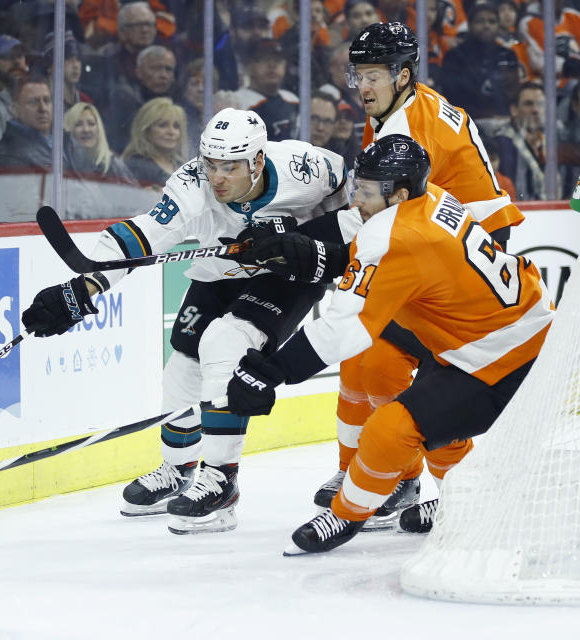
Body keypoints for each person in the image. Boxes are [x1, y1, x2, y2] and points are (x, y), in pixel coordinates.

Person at [22, 108, 351, 535]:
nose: (217, 177)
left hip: (285, 275)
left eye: (229, 167)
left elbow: (352, 195)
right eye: (211, 164)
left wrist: (327, 248)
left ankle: (222, 482)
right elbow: (148, 232)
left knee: (224, 344)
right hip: (221, 272)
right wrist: (86, 287)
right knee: (181, 370)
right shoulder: (193, 183)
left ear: (256, 160)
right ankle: (179, 471)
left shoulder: (304, 166)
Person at [226, 135, 554, 553]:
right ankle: (467, 499)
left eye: (365, 191)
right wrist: (314, 255)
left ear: (398, 193)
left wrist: (268, 371)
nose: (356, 199)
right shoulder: (430, 198)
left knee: (393, 428)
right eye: (356, 186)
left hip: (505, 358)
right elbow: (390, 264)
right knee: (389, 375)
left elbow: (346, 327)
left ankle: (346, 515)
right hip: (499, 330)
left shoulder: (398, 236)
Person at [311, 21, 525, 529]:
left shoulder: (405, 127)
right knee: (370, 359)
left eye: (373, 76)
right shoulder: (410, 104)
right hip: (456, 248)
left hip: (460, 265)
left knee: (408, 374)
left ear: (403, 74)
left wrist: (306, 241)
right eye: (357, 75)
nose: (362, 87)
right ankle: (393, 476)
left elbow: (376, 216)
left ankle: (459, 494)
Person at [439, 4, 521, 120]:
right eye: (480, 21)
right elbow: (452, 95)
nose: (486, 25)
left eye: (492, 22)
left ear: (498, 25)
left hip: (502, 121)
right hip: (466, 122)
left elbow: (512, 93)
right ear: (469, 25)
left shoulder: (508, 55)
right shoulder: (455, 56)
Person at [105, 44, 177, 152]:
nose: (163, 75)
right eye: (156, 68)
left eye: (168, 69)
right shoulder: (123, 100)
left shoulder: (178, 103)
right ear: (139, 72)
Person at [493, 82, 550, 201]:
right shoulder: (503, 144)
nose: (535, 110)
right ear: (514, 109)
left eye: (540, 104)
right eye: (528, 104)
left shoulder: (550, 140)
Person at [0, 75, 59, 172]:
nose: (43, 108)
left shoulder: (64, 138)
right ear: (15, 109)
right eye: (34, 102)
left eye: (47, 100)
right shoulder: (10, 156)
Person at [238, 39, 299, 142]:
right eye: (265, 59)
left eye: (277, 60)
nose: (272, 65)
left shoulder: (293, 100)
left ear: (285, 66)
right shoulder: (237, 102)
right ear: (249, 66)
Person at [121, 97, 187, 185]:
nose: (171, 132)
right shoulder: (135, 165)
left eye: (176, 126)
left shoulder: (183, 165)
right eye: (162, 125)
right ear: (146, 130)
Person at [63, 101, 133, 181]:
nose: (86, 130)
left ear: (99, 129)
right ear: (69, 129)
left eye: (91, 124)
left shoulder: (115, 165)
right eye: (78, 124)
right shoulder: (63, 166)